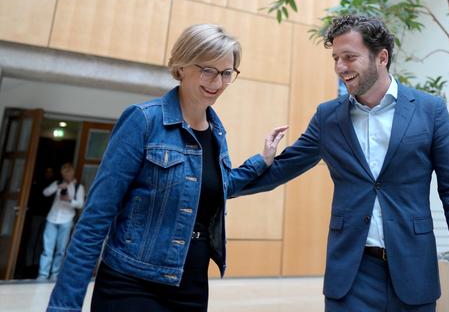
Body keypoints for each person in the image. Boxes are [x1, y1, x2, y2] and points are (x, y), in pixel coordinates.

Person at [232, 15, 449, 312]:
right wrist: (215, 184)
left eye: (349, 57)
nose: (340, 67)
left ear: (381, 57)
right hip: (351, 276)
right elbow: (281, 169)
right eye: (336, 58)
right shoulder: (328, 117)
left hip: (414, 270)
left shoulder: (430, 111)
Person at [46, 24, 287, 312]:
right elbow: (95, 218)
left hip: (191, 284)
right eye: (208, 70)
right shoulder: (143, 121)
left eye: (226, 73)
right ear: (182, 66)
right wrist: (64, 307)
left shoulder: (217, 133)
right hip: (132, 282)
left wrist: (262, 160)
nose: (218, 82)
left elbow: (214, 187)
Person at [38, 163, 84, 281]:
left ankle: (55, 274)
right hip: (52, 218)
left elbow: (80, 204)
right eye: (65, 174)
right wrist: (58, 187)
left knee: (61, 249)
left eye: (69, 173)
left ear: (72, 173)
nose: (67, 176)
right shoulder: (58, 183)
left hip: (67, 220)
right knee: (47, 249)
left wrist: (70, 200)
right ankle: (43, 274)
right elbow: (45, 193)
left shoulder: (79, 187)